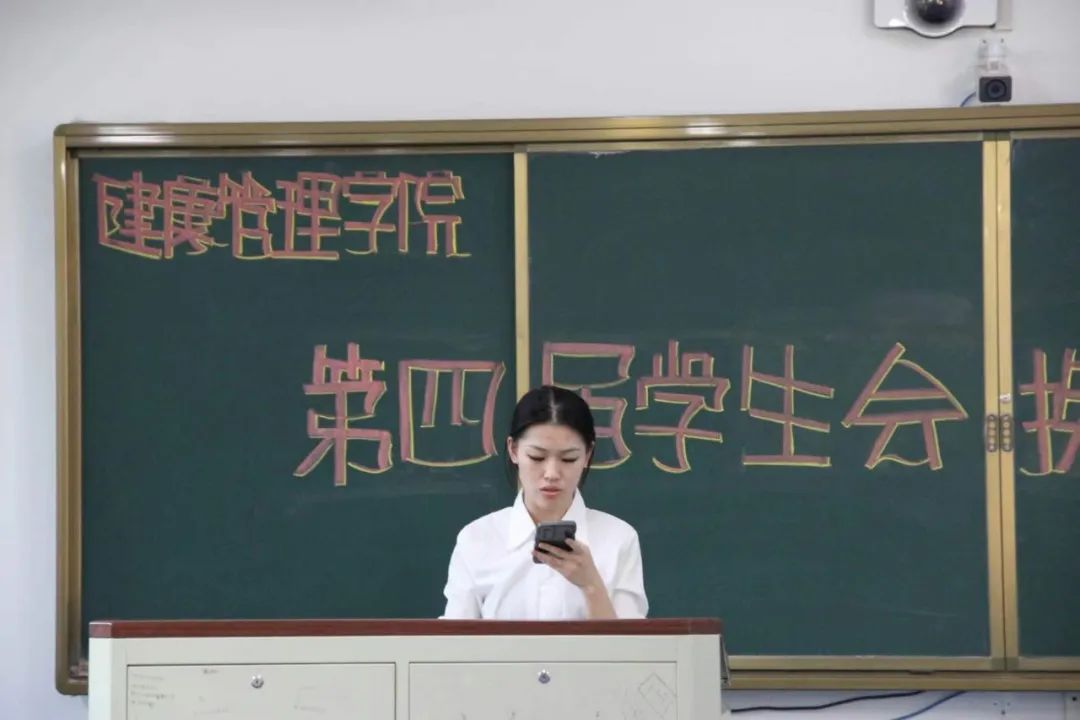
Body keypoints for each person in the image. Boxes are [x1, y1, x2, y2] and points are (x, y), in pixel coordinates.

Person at [441, 385, 648, 619]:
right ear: (513, 450)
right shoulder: (477, 539)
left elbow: (632, 641)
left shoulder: (618, 539)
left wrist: (591, 586)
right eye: (537, 457)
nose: (551, 473)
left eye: (568, 459)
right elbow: (454, 638)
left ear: (587, 455)